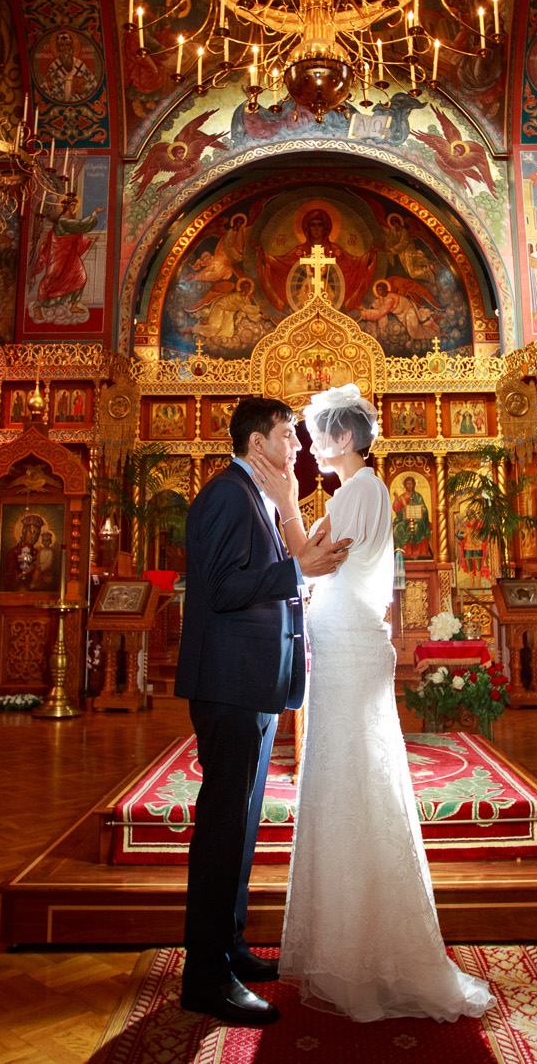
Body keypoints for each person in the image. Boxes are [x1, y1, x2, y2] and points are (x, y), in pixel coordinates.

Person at [277, 385, 495, 1022]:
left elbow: (310, 563)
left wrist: (288, 501)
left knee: (353, 783)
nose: (314, 447)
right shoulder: (356, 492)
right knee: (344, 781)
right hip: (344, 649)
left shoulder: (362, 490)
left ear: (345, 440)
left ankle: (366, 951)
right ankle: (350, 942)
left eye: (320, 435)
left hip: (347, 652)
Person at [175, 397, 351, 1026]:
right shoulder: (227, 495)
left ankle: (228, 948)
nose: (298, 447)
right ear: (256, 442)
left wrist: (293, 565)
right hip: (228, 683)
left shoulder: (257, 494)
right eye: (287, 436)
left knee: (242, 828)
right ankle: (204, 977)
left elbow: (262, 576)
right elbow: (221, 588)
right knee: (223, 827)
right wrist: (296, 569)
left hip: (248, 680)